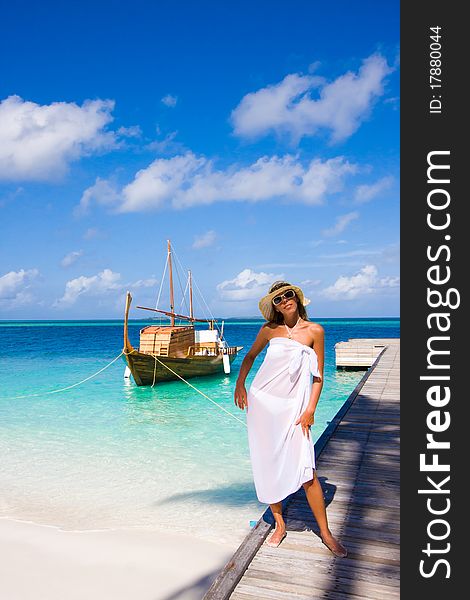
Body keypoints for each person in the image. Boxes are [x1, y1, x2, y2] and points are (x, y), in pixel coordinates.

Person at [234, 281, 347, 557]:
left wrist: (310, 410)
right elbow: (249, 356)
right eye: (278, 299)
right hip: (263, 404)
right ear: (274, 306)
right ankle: (280, 524)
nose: (285, 300)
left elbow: (318, 376)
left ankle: (326, 533)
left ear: (297, 297)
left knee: (307, 470)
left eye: (288, 295)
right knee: (267, 461)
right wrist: (240, 384)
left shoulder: (315, 331)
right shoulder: (269, 330)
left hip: (295, 409)